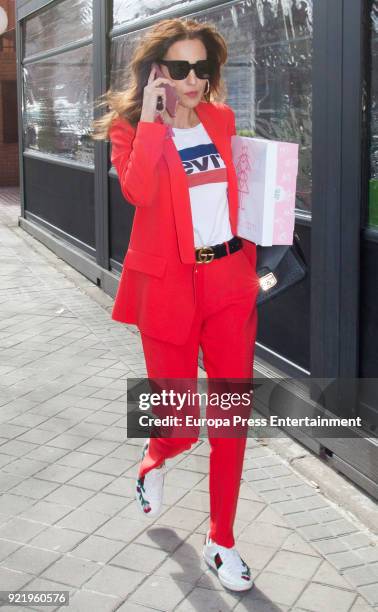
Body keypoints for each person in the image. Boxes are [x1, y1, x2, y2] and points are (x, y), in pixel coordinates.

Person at [91, 17, 260, 593]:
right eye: (181, 68)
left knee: (232, 419)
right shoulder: (129, 127)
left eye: (202, 69)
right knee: (183, 423)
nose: (193, 80)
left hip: (228, 282)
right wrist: (155, 121)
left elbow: (234, 192)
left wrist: (251, 253)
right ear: (159, 70)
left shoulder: (222, 119)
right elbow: (138, 191)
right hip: (166, 286)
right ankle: (156, 458)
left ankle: (223, 539)